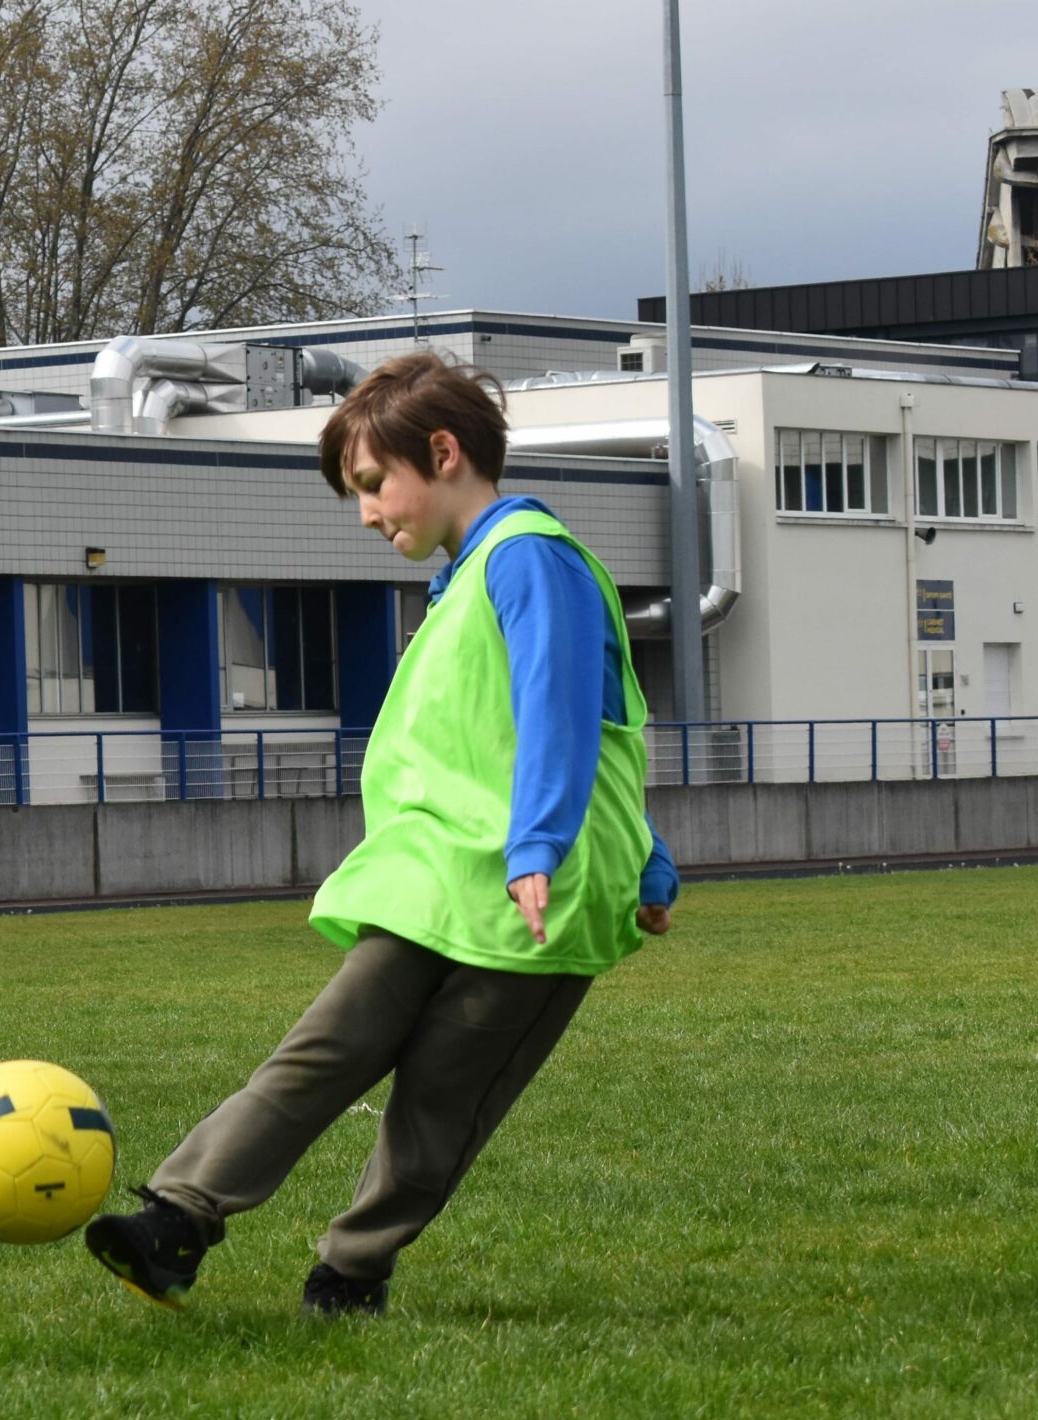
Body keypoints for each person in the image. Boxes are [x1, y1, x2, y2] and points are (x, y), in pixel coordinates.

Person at [85, 352, 677, 1315]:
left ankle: (351, 1270)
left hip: (535, 892)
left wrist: (560, 850)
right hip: (437, 879)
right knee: (323, 1047)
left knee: (441, 1099)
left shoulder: (531, 559)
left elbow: (567, 710)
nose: (366, 512)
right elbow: (565, 731)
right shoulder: (467, 581)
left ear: (442, 453)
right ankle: (177, 1218)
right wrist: (645, 856)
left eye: (371, 484)